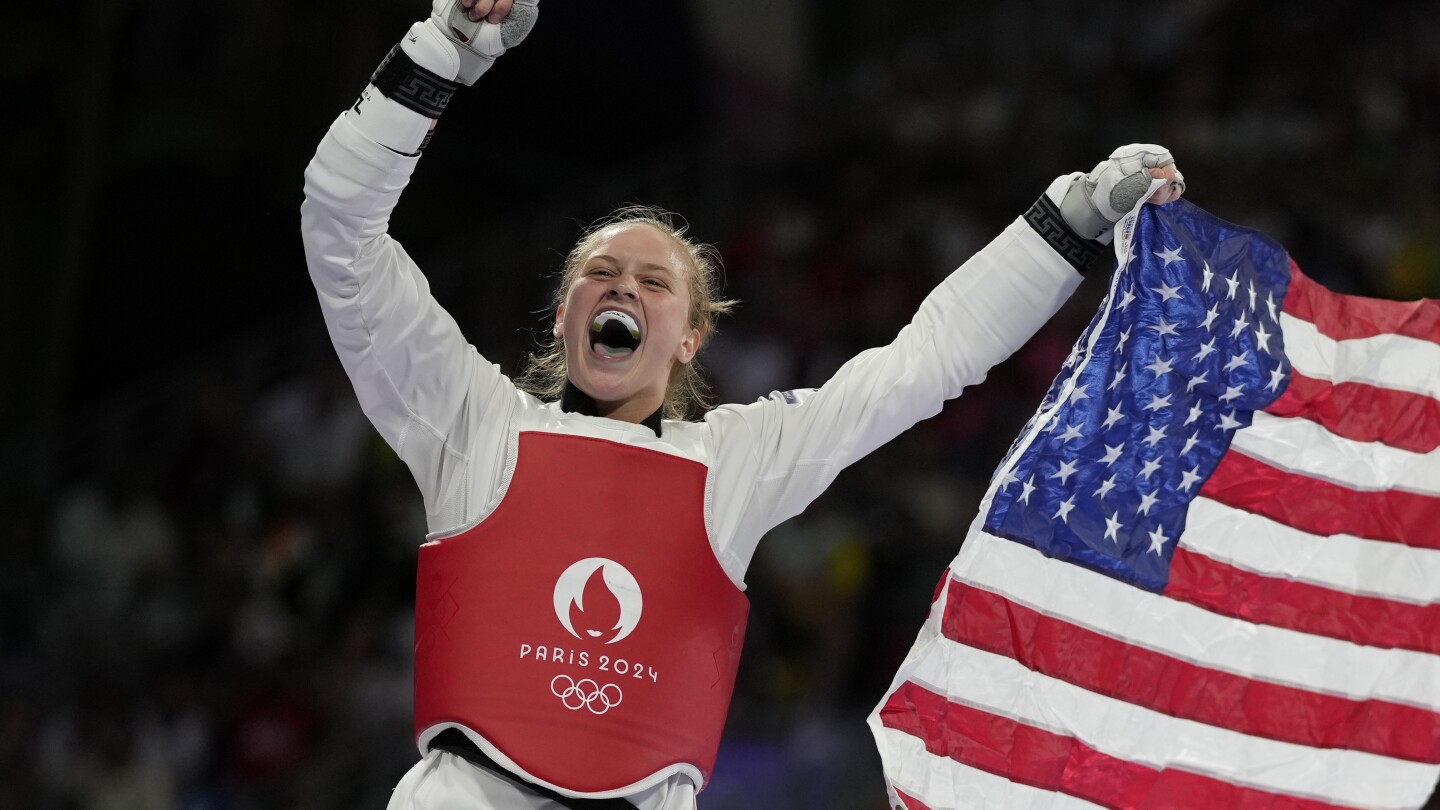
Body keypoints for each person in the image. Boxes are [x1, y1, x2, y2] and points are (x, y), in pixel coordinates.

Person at [299, 1, 1185, 807]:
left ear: (689, 337)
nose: (623, 288)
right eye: (599, 274)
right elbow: (340, 228)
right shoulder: (472, 423)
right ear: (565, 314)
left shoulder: (734, 462)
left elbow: (926, 361)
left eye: (654, 282)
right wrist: (440, 50)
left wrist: (1068, 220)